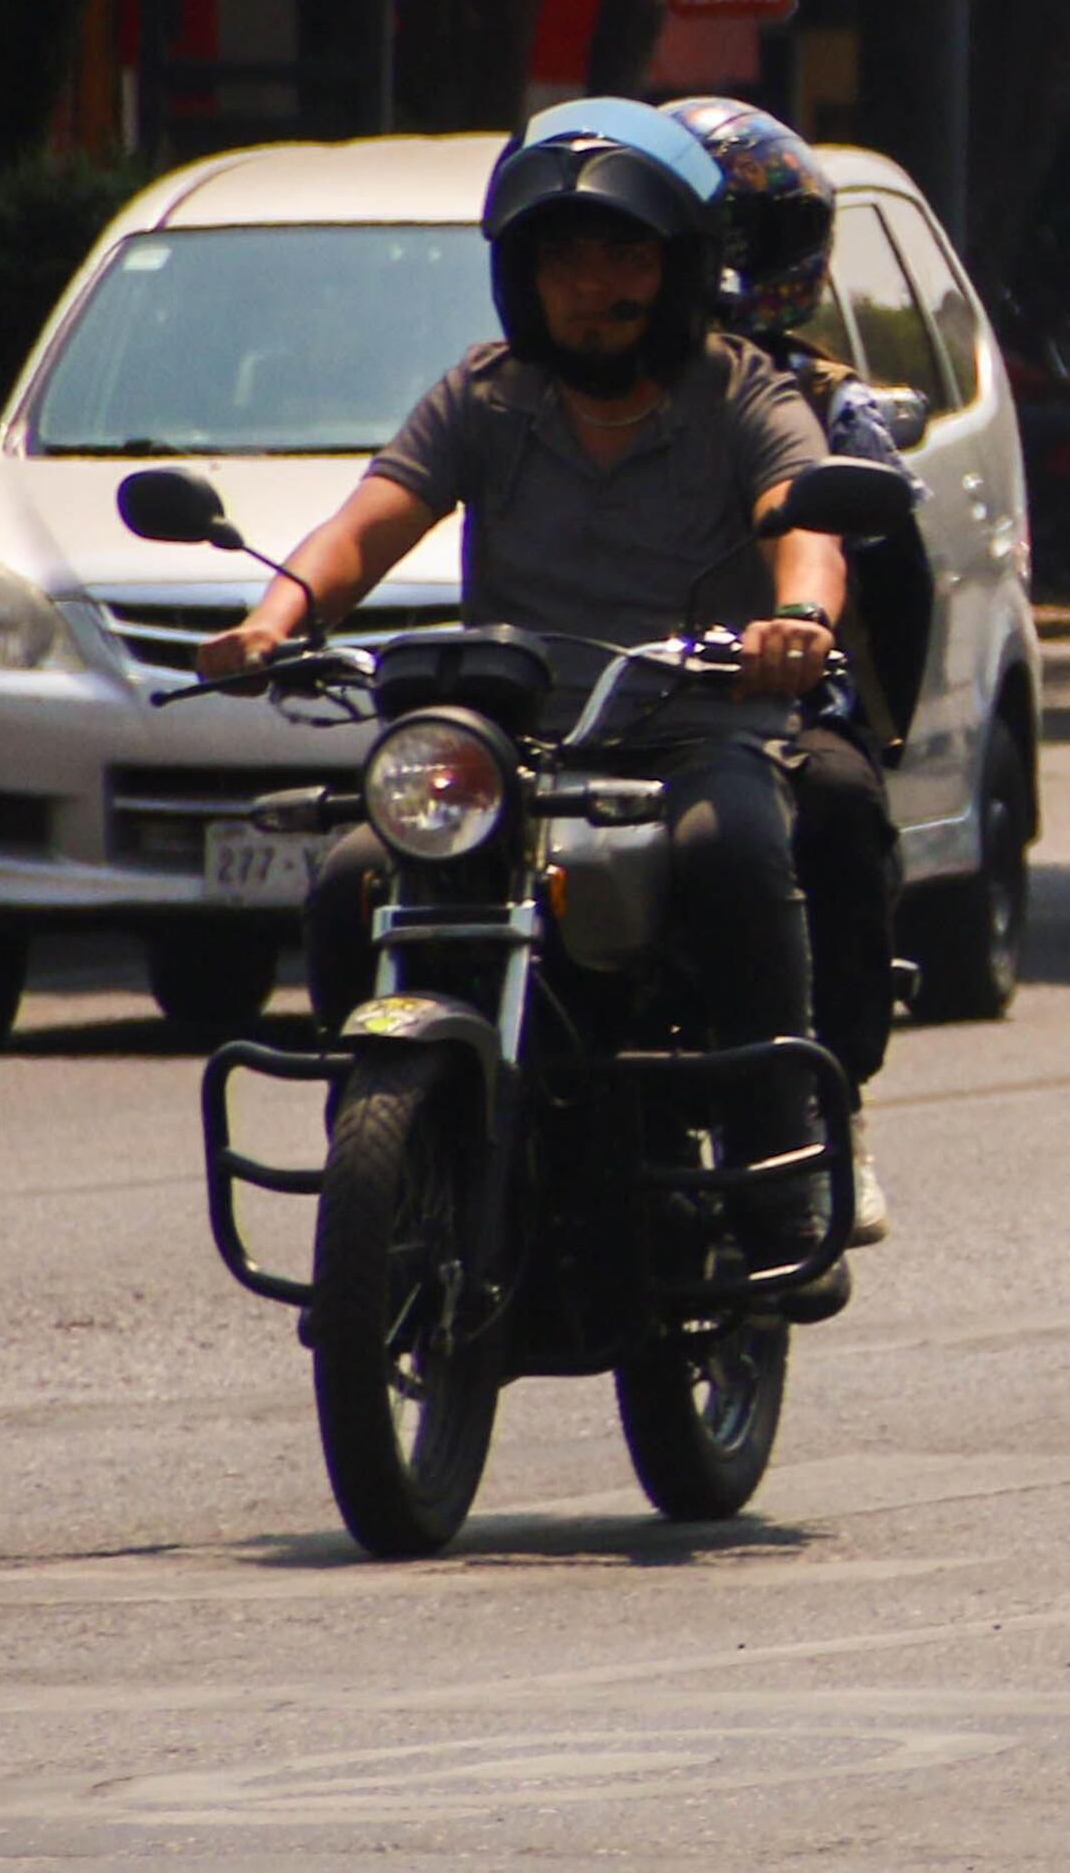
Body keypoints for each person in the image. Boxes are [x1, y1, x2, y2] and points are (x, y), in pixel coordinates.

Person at [196, 99, 854, 1290]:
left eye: (623, 256)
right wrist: (273, 620)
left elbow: (801, 524)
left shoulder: (744, 393)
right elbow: (368, 524)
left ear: (680, 267)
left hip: (690, 731)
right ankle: (383, 1154)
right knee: (351, 874)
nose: (591, 287)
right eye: (563, 259)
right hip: (510, 746)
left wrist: (798, 622)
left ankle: (777, 1162)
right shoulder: (485, 395)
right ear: (522, 277)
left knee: (734, 847)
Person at [665, 97, 924, 1247]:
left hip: (758, 710)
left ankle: (828, 1106)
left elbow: (889, 577)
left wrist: (864, 712)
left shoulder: (814, 405)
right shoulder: (525, 390)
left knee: (838, 798)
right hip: (588, 706)